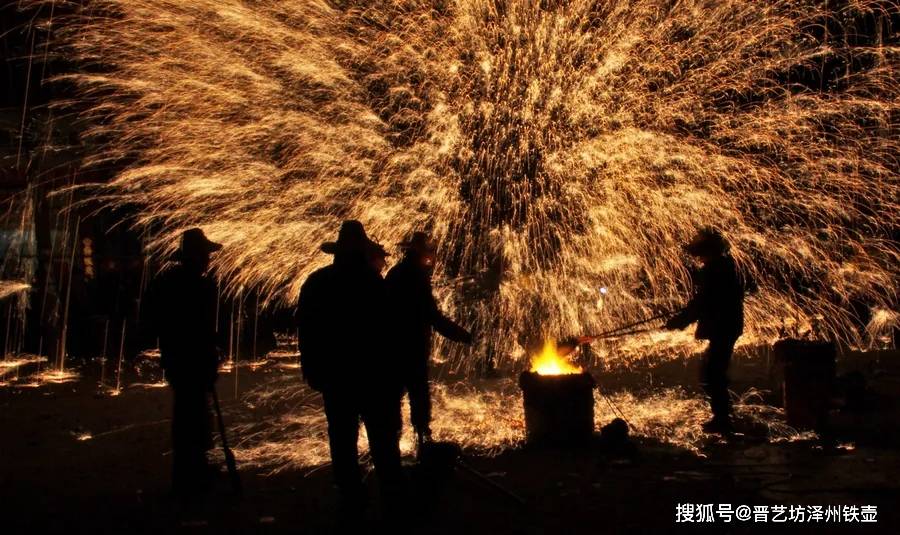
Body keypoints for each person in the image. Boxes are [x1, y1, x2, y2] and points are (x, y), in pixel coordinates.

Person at [296, 220, 404, 518]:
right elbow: (390, 335)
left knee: (342, 440)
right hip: (373, 379)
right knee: (382, 440)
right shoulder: (373, 285)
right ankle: (392, 499)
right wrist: (396, 378)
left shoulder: (316, 283)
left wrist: (312, 369)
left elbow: (306, 331)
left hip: (336, 378)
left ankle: (351, 498)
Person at [145, 228, 222, 495]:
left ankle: (188, 471)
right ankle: (193, 474)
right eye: (205, 255)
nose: (208, 260)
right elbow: (205, 330)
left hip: (177, 360)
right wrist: (210, 358)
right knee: (195, 416)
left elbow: (154, 321)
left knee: (187, 415)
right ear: (198, 257)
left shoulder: (167, 283)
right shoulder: (201, 287)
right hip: (194, 360)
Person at [385, 232, 472, 450]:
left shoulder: (394, 273)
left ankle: (390, 444)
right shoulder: (417, 275)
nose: (432, 256)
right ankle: (422, 441)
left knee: (393, 397)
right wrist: (461, 335)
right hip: (411, 347)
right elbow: (431, 315)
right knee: (418, 395)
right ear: (420, 252)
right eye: (429, 251)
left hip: (392, 347)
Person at [665, 228, 747, 434]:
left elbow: (704, 302)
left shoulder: (715, 269)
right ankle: (722, 416)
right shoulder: (727, 266)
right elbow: (704, 301)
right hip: (728, 325)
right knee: (714, 372)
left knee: (712, 374)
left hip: (723, 326)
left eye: (700, 253)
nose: (698, 257)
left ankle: (723, 419)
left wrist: (681, 320)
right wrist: (683, 316)